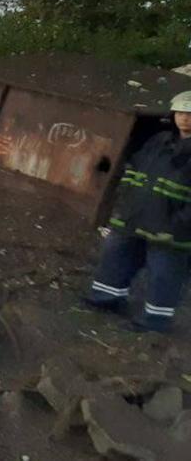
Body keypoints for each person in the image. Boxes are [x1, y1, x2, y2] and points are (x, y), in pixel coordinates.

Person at [85, 90, 191, 333]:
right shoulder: (160, 140)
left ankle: (155, 320)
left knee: (164, 272)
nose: (185, 118)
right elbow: (134, 166)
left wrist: (179, 223)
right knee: (117, 254)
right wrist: (127, 200)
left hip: (171, 227)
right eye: (180, 113)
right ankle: (106, 297)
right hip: (136, 216)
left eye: (190, 114)